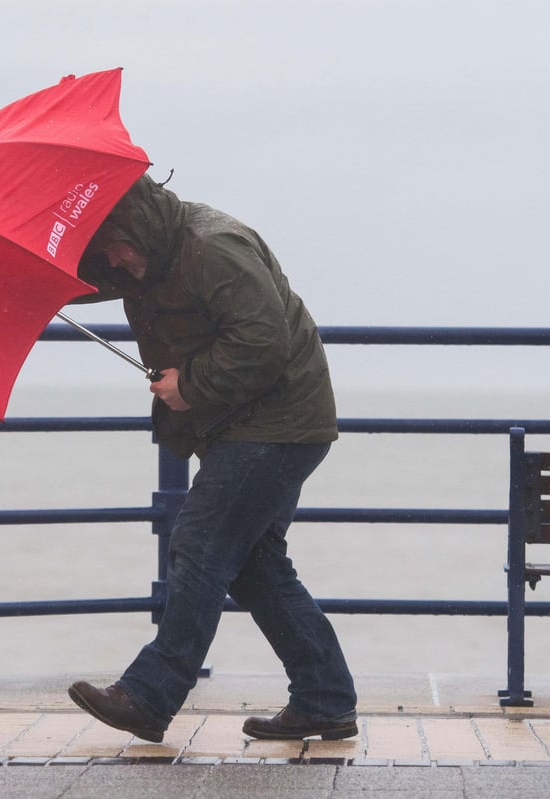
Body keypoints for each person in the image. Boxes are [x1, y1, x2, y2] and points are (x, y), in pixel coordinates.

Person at [66, 173, 358, 742]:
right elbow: (80, 282)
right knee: (254, 567)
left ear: (142, 226)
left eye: (120, 245)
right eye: (106, 250)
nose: (116, 260)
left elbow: (265, 341)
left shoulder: (213, 247)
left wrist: (190, 386)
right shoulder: (139, 255)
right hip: (246, 422)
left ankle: (149, 696)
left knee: (199, 543)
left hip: (279, 421)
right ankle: (325, 699)